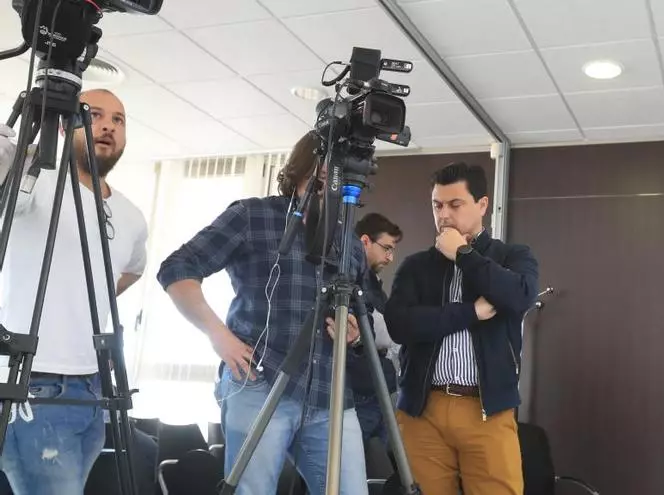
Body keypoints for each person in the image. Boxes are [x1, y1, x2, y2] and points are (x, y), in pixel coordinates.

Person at [156, 131, 369, 495]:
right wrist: (218, 336)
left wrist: (354, 333)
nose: (326, 192)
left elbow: (362, 316)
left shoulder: (349, 242)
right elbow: (177, 268)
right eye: (319, 181)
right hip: (259, 379)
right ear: (301, 171)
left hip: (329, 393)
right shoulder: (252, 216)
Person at [0, 89, 149, 494]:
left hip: (92, 386)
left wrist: (81, 298)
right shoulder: (33, 182)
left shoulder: (132, 216)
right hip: (34, 381)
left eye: (118, 119)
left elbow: (132, 271)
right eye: (94, 115)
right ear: (66, 126)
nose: (107, 126)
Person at [385, 162, 539, 495]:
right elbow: (400, 324)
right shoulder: (415, 266)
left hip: (487, 408)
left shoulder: (512, 257)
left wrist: (463, 254)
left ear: (482, 205)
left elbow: (520, 296)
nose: (443, 215)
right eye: (437, 205)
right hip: (422, 409)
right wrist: (470, 312)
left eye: (455, 205)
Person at [348, 212, 402, 448]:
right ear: (365, 241)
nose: (390, 258)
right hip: (357, 394)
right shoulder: (349, 282)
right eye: (386, 248)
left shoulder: (374, 285)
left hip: (381, 391)